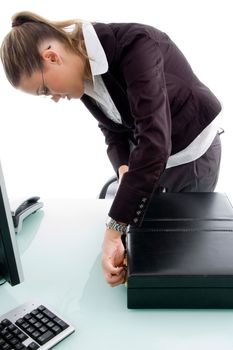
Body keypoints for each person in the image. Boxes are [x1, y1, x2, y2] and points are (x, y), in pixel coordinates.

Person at [0, 11, 222, 287]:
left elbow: (154, 143)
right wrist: (122, 167)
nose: (54, 99)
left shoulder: (135, 46)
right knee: (144, 247)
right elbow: (112, 128)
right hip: (150, 160)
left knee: (180, 256)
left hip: (191, 155)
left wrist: (113, 230)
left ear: (52, 57)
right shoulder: (82, 71)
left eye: (45, 90)